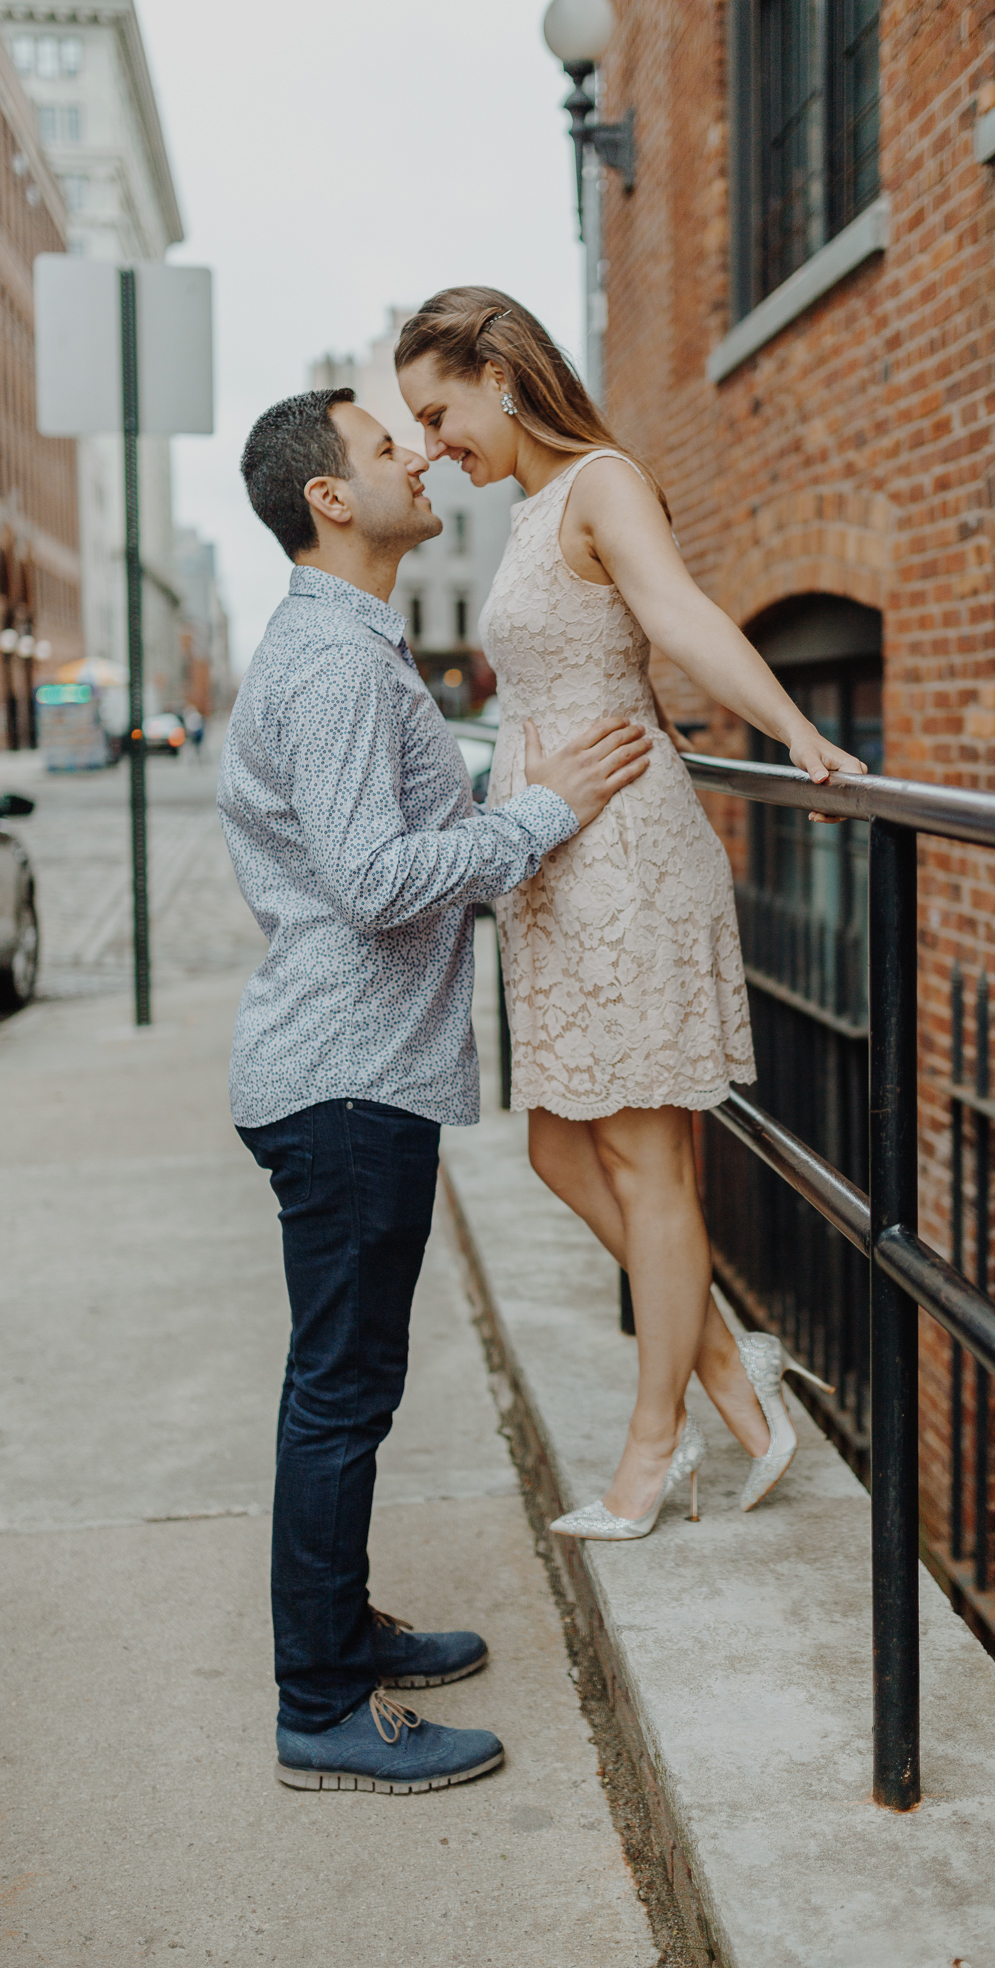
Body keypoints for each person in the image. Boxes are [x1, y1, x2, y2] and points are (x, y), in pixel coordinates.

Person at [217, 387, 651, 1791]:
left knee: (351, 1383)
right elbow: (373, 878)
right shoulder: (336, 663)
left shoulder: (344, 643)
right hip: (345, 1082)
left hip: (346, 1074)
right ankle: (321, 1710)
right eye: (383, 442)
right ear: (329, 498)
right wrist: (544, 814)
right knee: (341, 1394)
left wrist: (505, 805)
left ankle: (339, 1634)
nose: (416, 449)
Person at [395, 289, 863, 1543]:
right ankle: (727, 1370)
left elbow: (679, 617)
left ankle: (654, 1453)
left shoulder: (602, 481)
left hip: (624, 855)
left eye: (437, 413)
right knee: (557, 1145)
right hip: (555, 860)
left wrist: (801, 736)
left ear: (499, 372)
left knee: (648, 1158)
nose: (434, 443)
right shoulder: (537, 506)